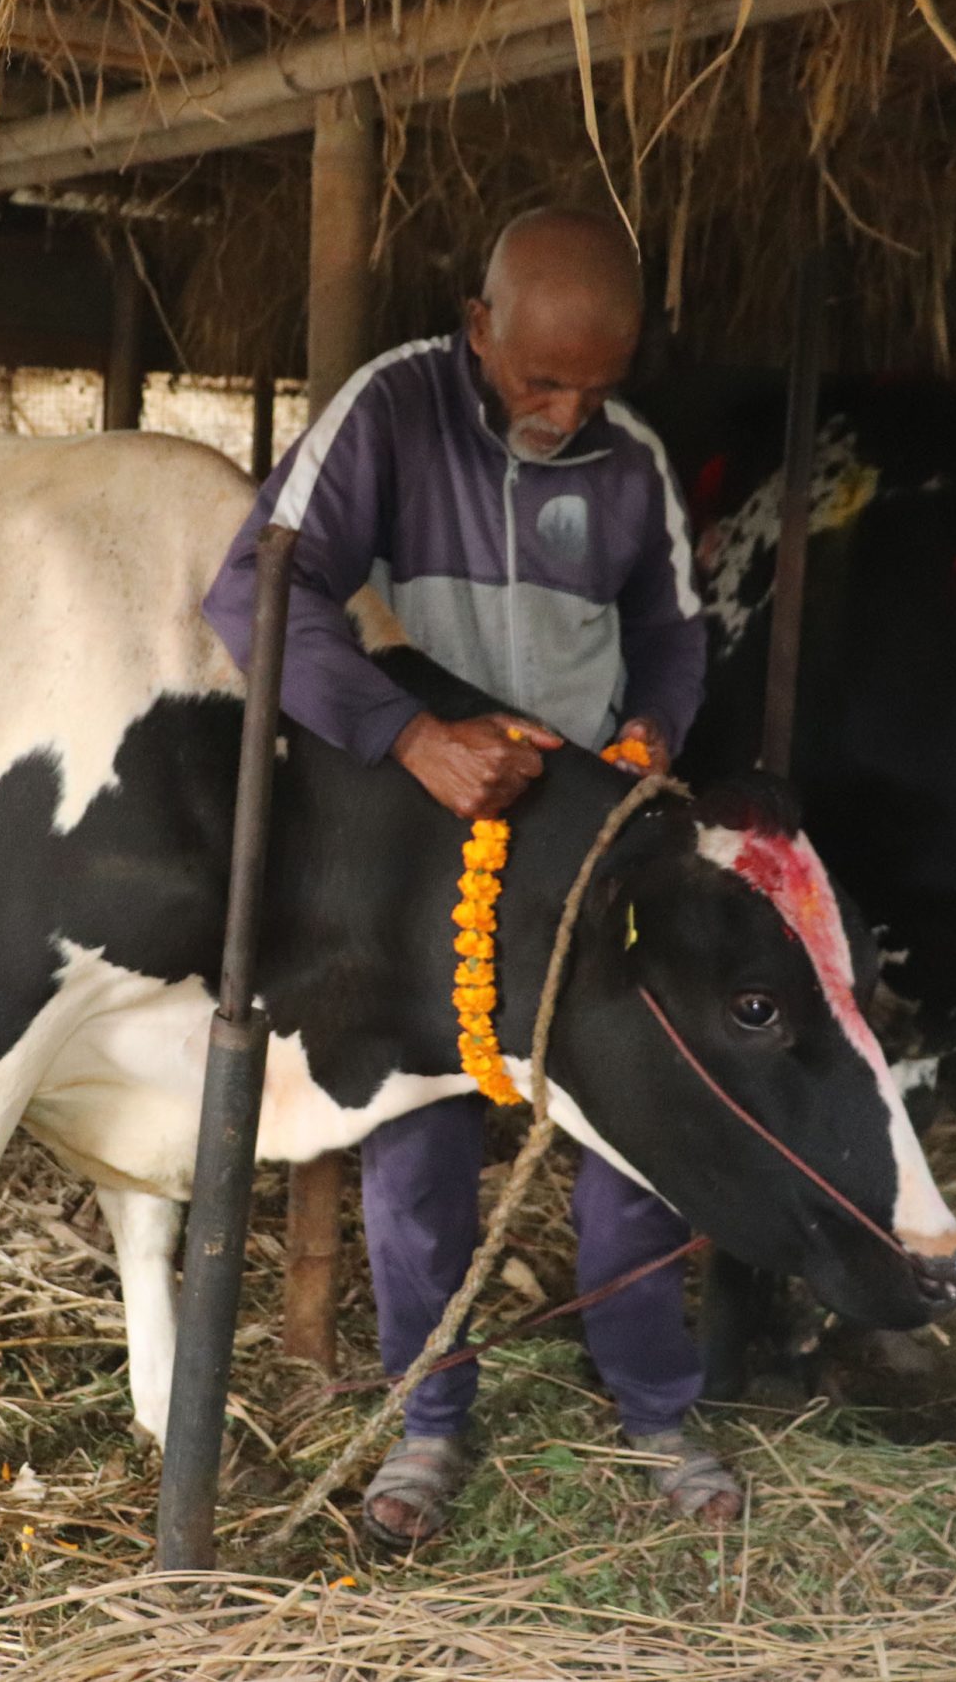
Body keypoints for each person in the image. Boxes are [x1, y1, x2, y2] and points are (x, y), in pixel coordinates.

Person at [202, 207, 736, 1547]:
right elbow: (254, 593)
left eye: (598, 387)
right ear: (479, 326)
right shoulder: (389, 411)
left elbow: (674, 630)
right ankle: (429, 1422)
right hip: (427, 837)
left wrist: (654, 730)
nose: (569, 413)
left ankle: (658, 1408)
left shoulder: (634, 459)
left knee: (636, 1135)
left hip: (592, 839)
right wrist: (410, 738)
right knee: (418, 1146)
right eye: (542, 379)